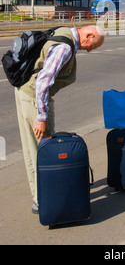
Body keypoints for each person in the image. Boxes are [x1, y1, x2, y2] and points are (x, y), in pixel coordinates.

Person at [14, 25, 104, 214]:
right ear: (88, 35)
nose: (89, 49)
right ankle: (44, 200)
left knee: (32, 148)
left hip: (24, 89)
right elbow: (43, 82)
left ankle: (39, 197)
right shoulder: (65, 48)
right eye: (92, 46)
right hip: (33, 96)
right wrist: (42, 116)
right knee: (44, 149)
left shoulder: (63, 31)